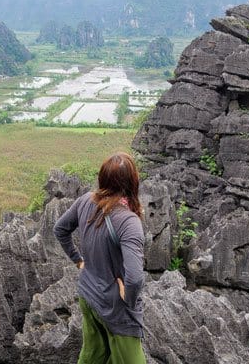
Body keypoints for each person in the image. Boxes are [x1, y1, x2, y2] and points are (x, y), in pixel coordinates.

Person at [54, 152, 146, 364]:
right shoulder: (128, 221)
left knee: (92, 356)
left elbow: (60, 229)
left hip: (88, 295)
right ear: (132, 182)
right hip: (115, 308)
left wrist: (79, 260)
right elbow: (134, 278)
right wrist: (129, 302)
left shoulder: (86, 200)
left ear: (103, 178)